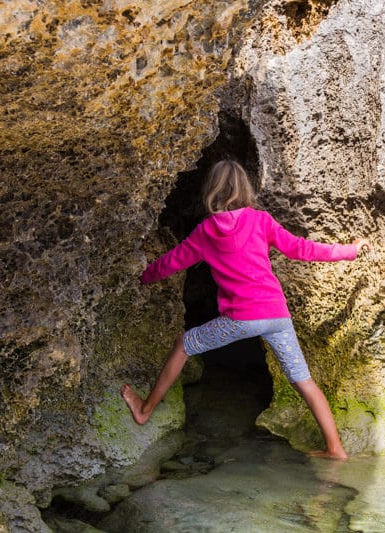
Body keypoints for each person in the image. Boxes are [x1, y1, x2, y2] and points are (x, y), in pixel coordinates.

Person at [122, 160, 370, 460]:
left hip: (242, 318)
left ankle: (144, 410)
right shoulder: (261, 221)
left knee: (184, 344)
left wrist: (141, 277)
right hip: (277, 315)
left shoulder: (207, 231)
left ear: (211, 190)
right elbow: (300, 249)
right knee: (302, 378)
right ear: (244, 188)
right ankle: (336, 449)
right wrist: (348, 251)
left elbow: (171, 262)